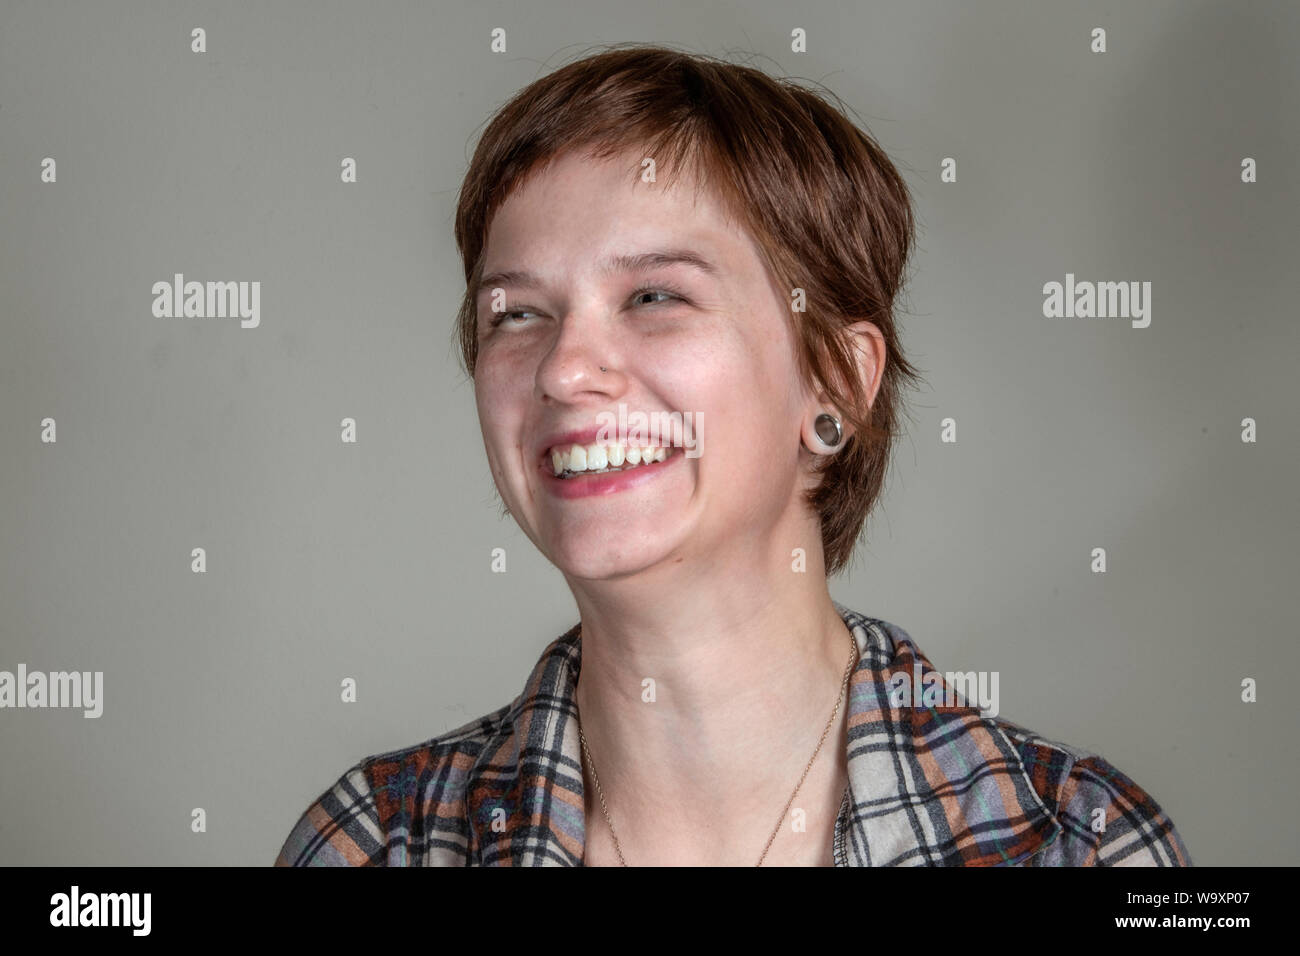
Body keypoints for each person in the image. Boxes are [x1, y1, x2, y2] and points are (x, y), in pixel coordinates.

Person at [275, 44, 1191, 867]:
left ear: (834, 378)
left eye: (655, 295)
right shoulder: (372, 843)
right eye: (516, 313)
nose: (565, 369)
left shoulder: (1083, 846)